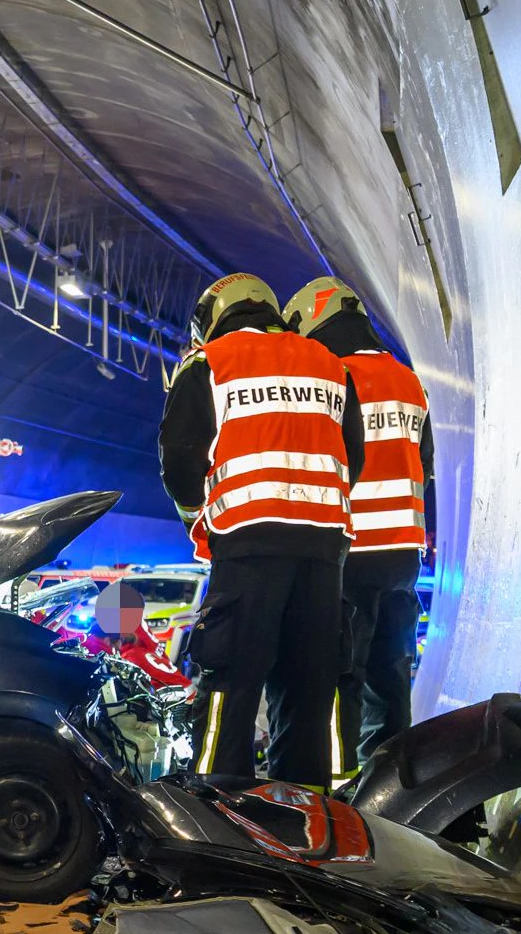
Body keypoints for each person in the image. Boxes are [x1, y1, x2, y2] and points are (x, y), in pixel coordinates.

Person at [157, 273, 365, 785]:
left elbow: (179, 461)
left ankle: (219, 808)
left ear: (211, 317)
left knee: (231, 680)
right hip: (323, 554)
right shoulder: (331, 366)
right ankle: (306, 818)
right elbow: (353, 457)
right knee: (308, 689)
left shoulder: (210, 363)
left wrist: (197, 521)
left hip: (247, 547)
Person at [286, 276, 434, 768]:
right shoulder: (409, 380)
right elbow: (425, 464)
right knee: (391, 676)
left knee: (339, 677)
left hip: (350, 554)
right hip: (403, 556)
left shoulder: (333, 375)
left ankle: (339, 788)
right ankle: (391, 785)